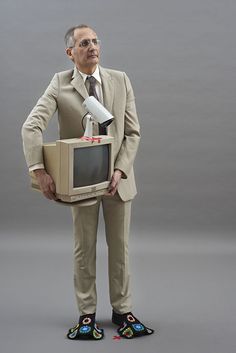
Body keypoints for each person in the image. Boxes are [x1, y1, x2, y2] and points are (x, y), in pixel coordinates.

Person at [21, 24, 154, 340]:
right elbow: (31, 127)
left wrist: (120, 170)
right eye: (84, 42)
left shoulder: (120, 79)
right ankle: (86, 315)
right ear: (70, 52)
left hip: (118, 182)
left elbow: (133, 132)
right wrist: (39, 170)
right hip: (81, 182)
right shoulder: (60, 84)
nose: (92, 46)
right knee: (84, 249)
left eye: (95, 41)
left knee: (120, 248)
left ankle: (123, 311)